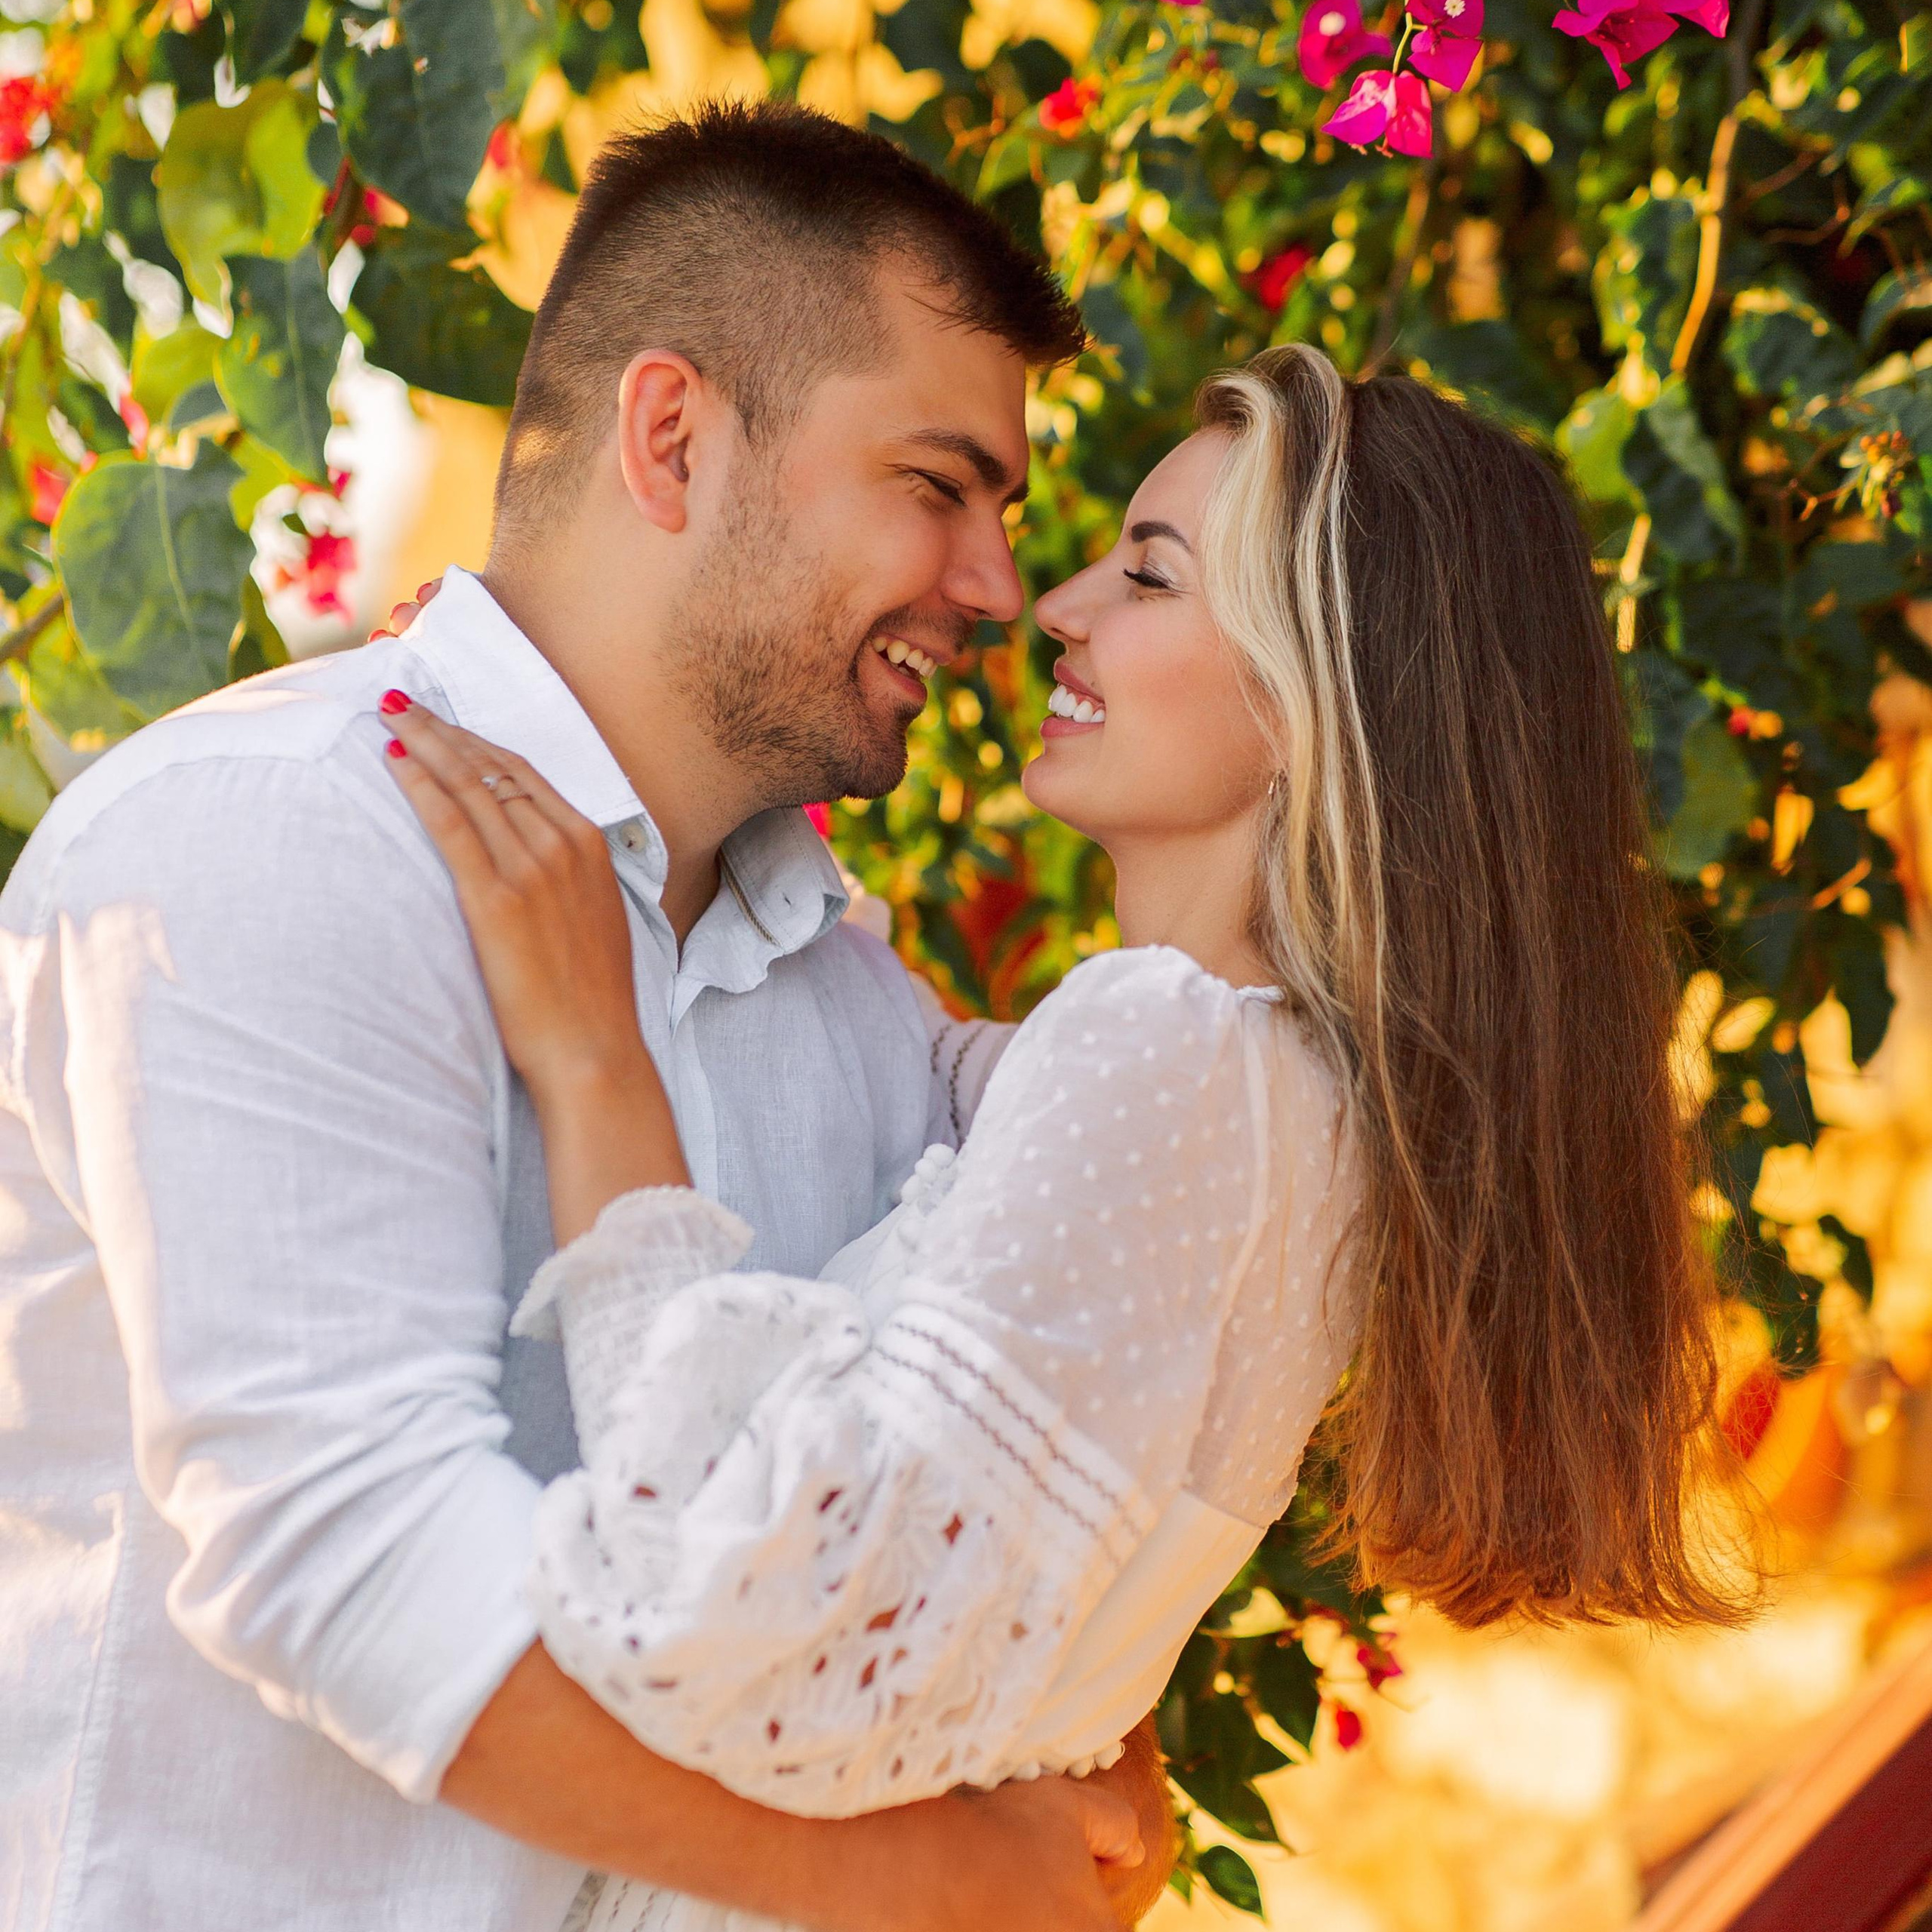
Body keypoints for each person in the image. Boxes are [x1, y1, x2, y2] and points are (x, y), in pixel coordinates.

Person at [375, 341, 1743, 1932]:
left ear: (1320, 697)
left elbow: (730, 1601)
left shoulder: (1159, 1054)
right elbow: (926, 1093)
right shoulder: (1293, 1109)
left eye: (1149, 577)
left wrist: (592, 1052)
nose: (1059, 606)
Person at [0, 103, 1164, 1932]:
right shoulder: (270, 841)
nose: (995, 590)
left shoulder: (845, 999)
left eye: (998, 511)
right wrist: (942, 1876)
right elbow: (353, 1567)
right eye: (936, 487)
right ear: (674, 434)